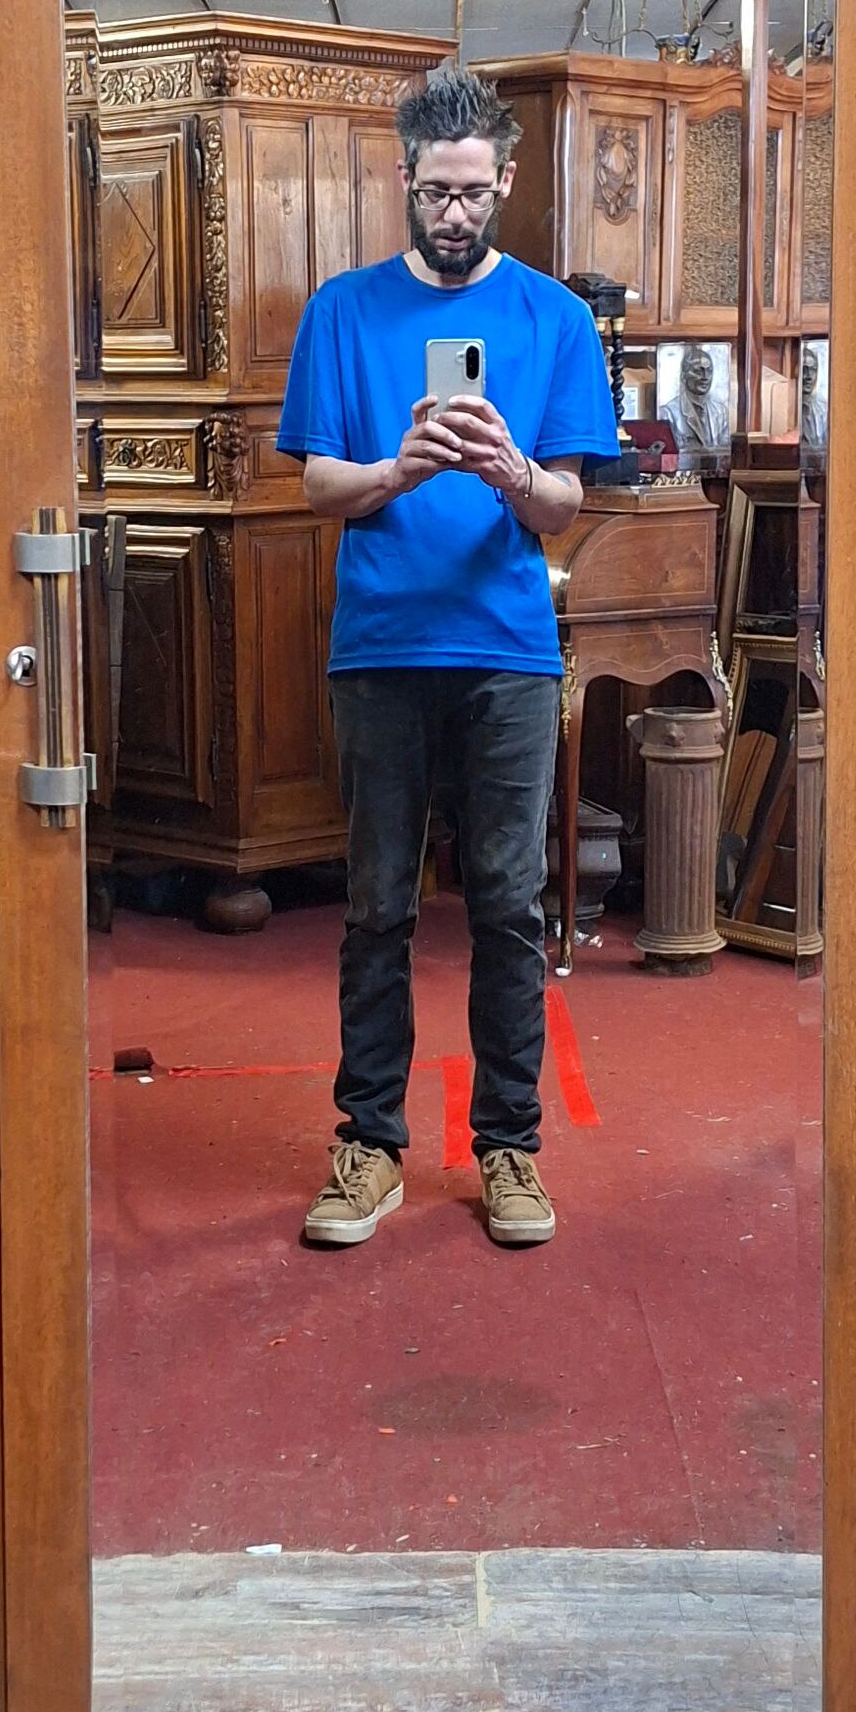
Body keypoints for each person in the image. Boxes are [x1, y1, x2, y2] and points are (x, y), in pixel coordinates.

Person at [274, 63, 619, 1248]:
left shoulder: (556, 321)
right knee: (376, 906)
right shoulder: (341, 310)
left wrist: (514, 473)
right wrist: (400, 471)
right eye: (436, 193)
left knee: (510, 908)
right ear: (405, 182)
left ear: (507, 184)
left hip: (508, 653)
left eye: (476, 194)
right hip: (379, 648)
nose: (456, 214)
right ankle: (369, 1145)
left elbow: (566, 507)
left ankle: (508, 1148)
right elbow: (318, 483)